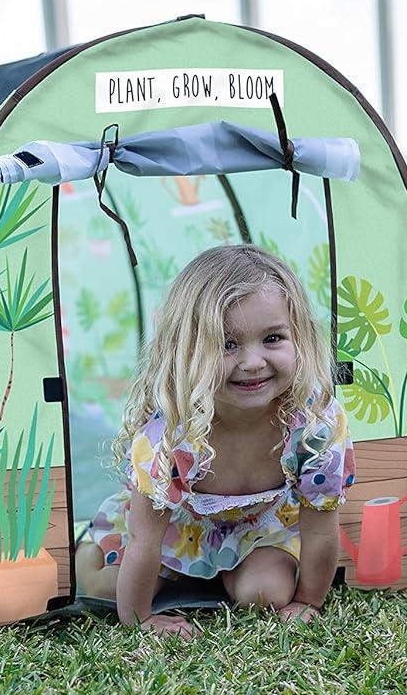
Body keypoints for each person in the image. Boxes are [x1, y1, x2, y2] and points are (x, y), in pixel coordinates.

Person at [76, 244, 356, 640]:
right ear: (186, 351)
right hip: (175, 530)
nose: (253, 362)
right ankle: (105, 554)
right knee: (101, 587)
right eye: (227, 344)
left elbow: (320, 528)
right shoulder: (174, 432)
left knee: (266, 593)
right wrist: (140, 619)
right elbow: (145, 537)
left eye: (273, 338)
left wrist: (307, 602)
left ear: (300, 339)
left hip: (257, 531)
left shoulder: (312, 425)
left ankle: (226, 575)